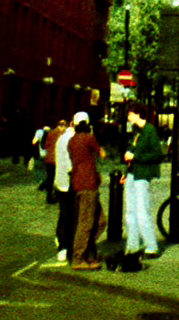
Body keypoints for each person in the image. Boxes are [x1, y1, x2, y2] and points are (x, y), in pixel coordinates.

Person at [123, 101, 163, 265]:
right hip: (133, 173)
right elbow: (134, 151)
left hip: (143, 174)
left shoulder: (149, 131)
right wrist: (127, 172)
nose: (128, 117)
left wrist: (136, 157)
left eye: (130, 113)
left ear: (137, 113)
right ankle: (132, 245)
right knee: (130, 211)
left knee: (141, 211)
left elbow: (157, 154)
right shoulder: (136, 131)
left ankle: (151, 246)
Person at [68, 111, 106, 270]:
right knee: (86, 222)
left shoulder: (72, 141)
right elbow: (103, 154)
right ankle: (79, 257)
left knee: (100, 221)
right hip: (88, 184)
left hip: (78, 183)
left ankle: (88, 252)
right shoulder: (89, 138)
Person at [52, 117, 76, 262]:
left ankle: (64, 244)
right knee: (68, 216)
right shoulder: (72, 139)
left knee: (65, 215)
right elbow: (71, 164)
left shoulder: (62, 138)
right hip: (69, 183)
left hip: (60, 182)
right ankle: (64, 246)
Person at [41, 120, 66, 200]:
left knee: (50, 178)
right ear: (63, 126)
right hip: (56, 159)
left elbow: (46, 145)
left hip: (48, 159)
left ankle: (49, 195)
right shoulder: (61, 134)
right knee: (56, 178)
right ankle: (54, 195)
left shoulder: (51, 133)